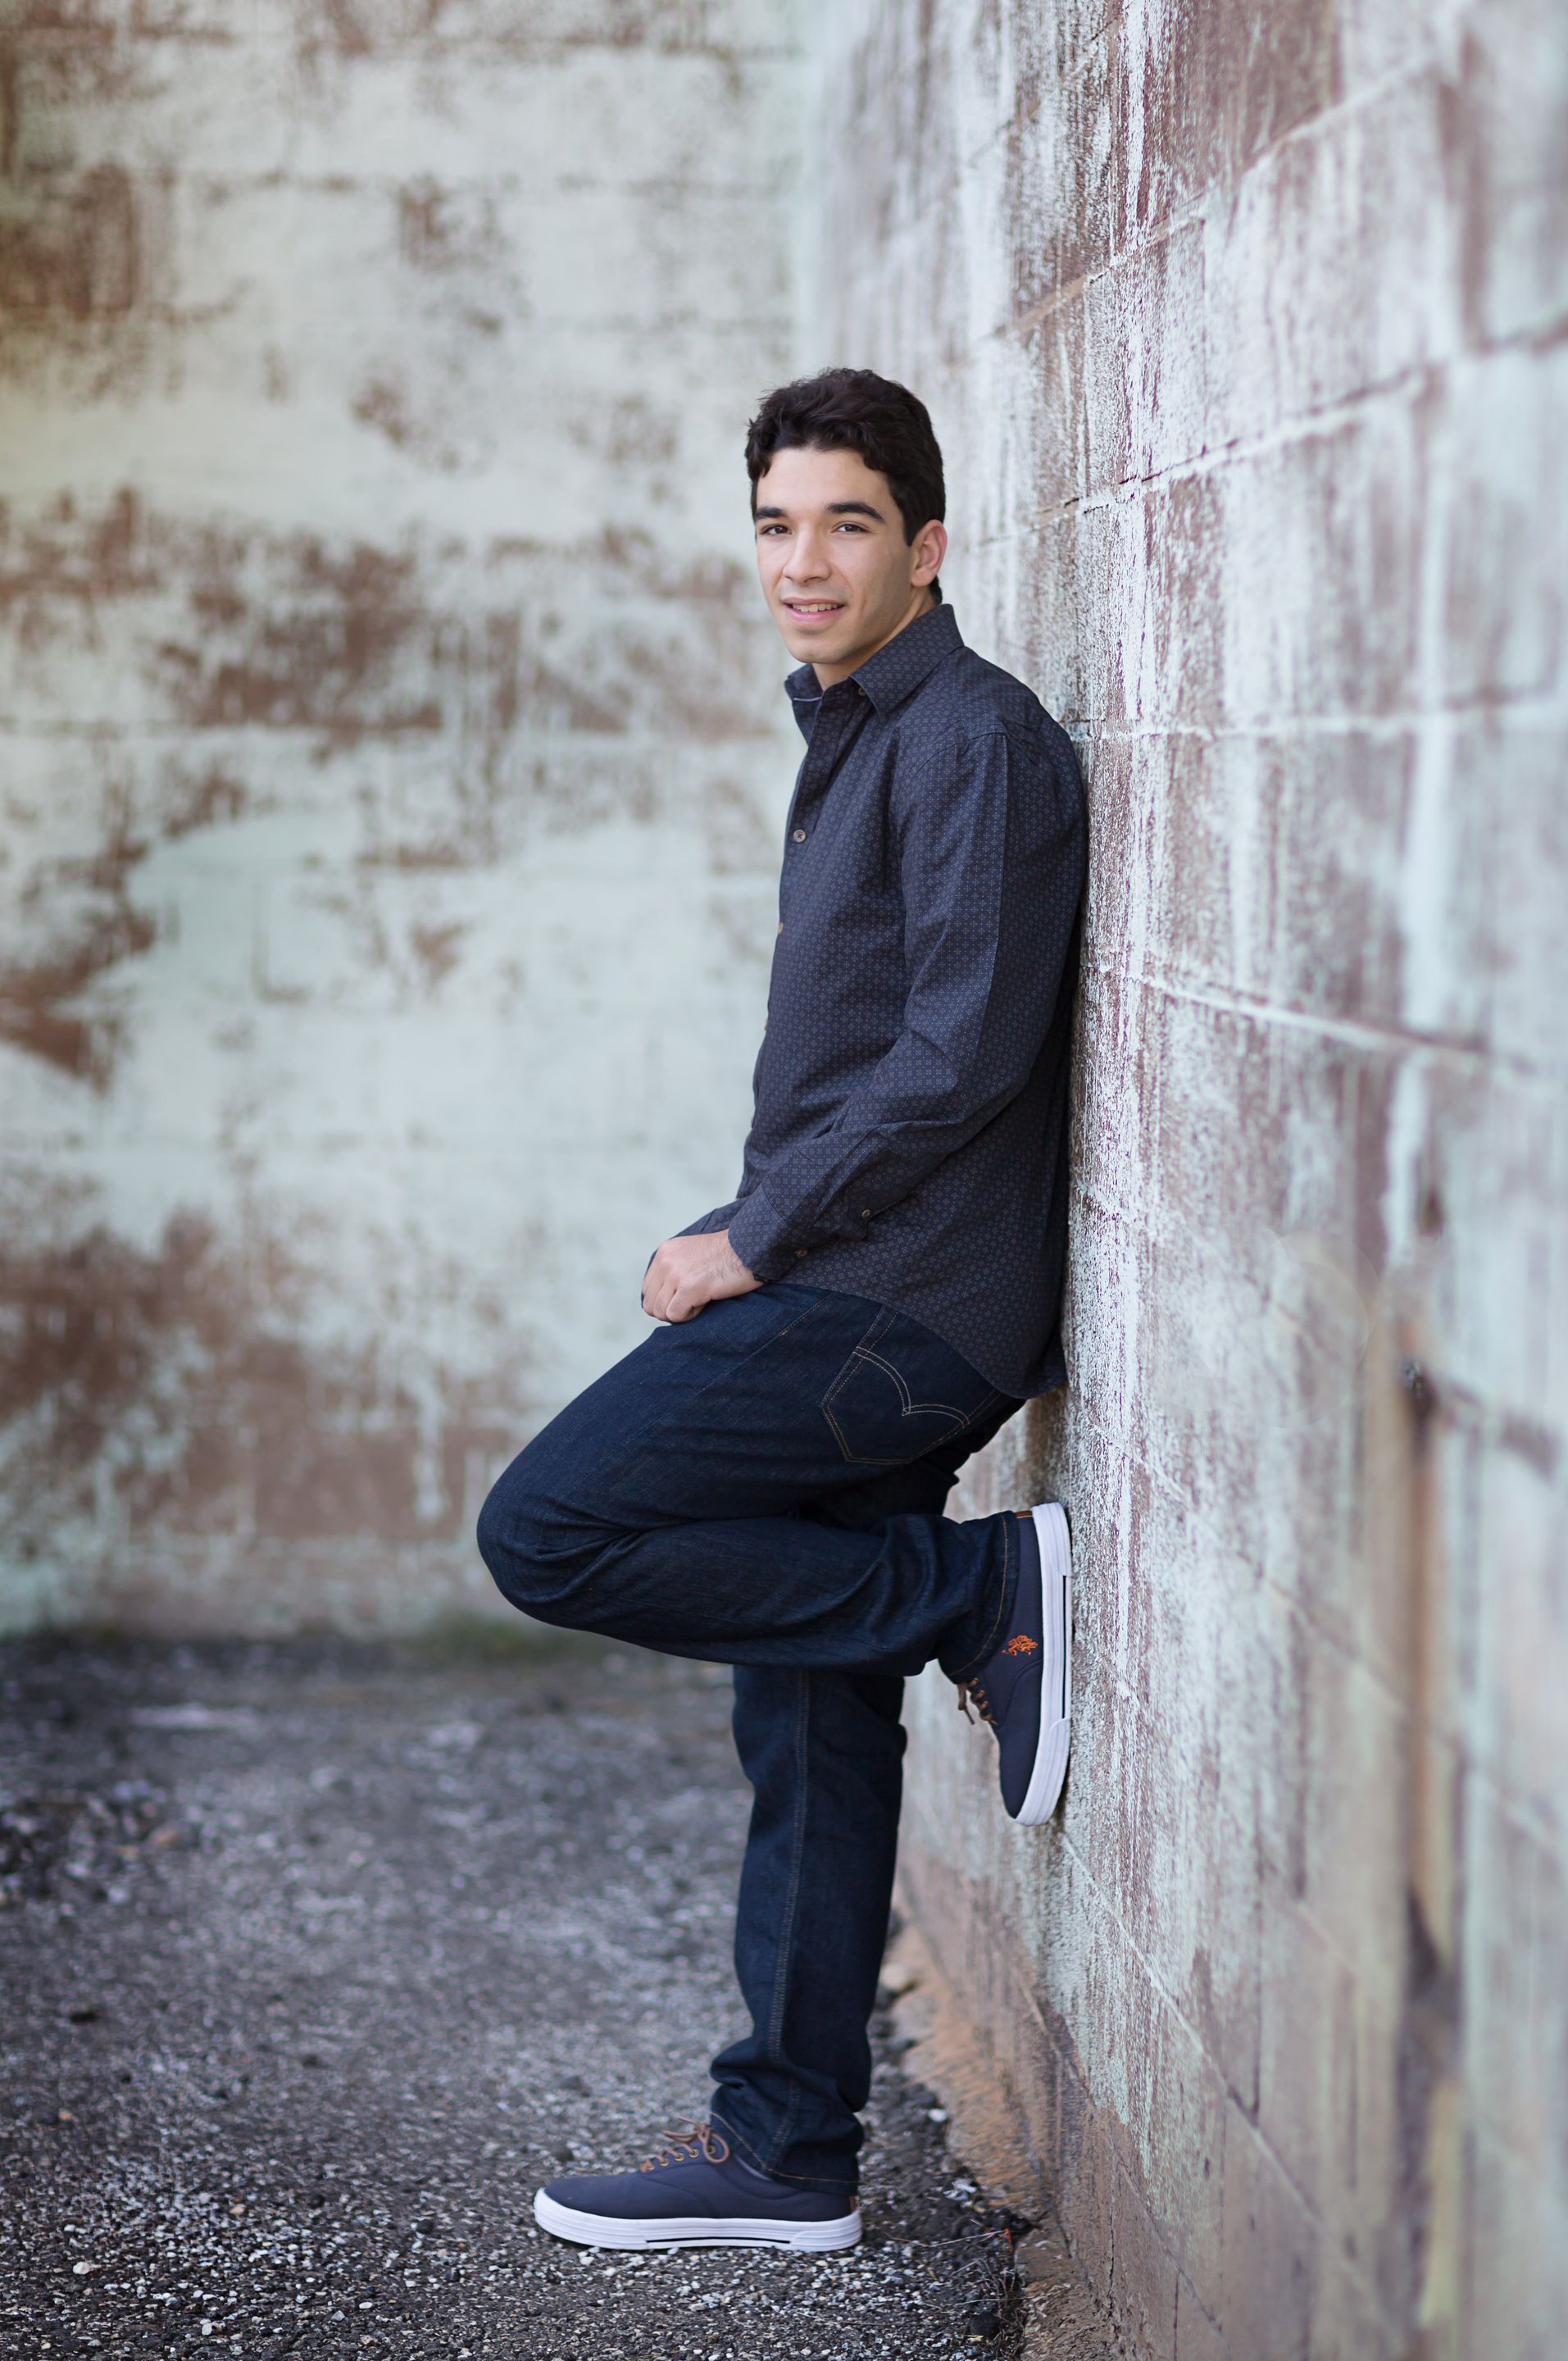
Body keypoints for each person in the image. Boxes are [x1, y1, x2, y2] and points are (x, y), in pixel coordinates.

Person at [477, 367, 1086, 2254]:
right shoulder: (849, 733)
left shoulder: (970, 735)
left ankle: (980, 1596)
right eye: (774, 525)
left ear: (927, 543)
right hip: (848, 1270)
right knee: (805, 1717)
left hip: (905, 1307)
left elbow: (960, 1050)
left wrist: (752, 1240)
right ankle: (788, 2150)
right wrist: (756, 1221)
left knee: (551, 1526)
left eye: (844, 524)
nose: (801, 562)